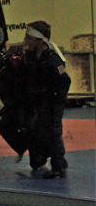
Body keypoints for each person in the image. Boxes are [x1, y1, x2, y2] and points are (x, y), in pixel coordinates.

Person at [20, 21, 71, 178]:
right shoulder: (30, 58)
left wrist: (55, 98)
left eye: (29, 38)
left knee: (53, 131)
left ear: (40, 40)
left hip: (52, 101)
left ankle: (58, 167)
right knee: (38, 130)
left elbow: (64, 80)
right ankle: (57, 160)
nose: (26, 41)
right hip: (39, 101)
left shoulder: (52, 59)